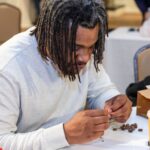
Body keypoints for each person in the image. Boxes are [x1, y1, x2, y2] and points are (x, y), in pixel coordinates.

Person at [0, 0, 132, 149]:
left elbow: (100, 90)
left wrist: (112, 102)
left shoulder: (83, 49)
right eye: (75, 47)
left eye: (91, 47)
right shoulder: (7, 67)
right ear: (49, 35)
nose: (85, 58)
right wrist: (64, 134)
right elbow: (2, 141)